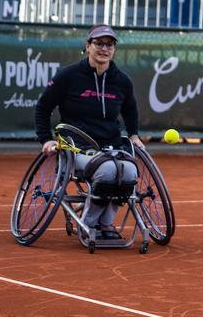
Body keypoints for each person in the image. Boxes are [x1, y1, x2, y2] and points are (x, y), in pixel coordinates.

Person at [34, 25, 143, 240]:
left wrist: (134, 135)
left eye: (109, 45)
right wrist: (46, 140)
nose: (104, 49)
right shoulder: (68, 76)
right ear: (87, 46)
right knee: (108, 173)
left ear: (114, 49)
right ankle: (91, 224)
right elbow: (43, 108)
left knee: (129, 172)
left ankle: (104, 223)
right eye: (99, 44)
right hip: (76, 147)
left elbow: (130, 110)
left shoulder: (122, 81)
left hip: (111, 146)